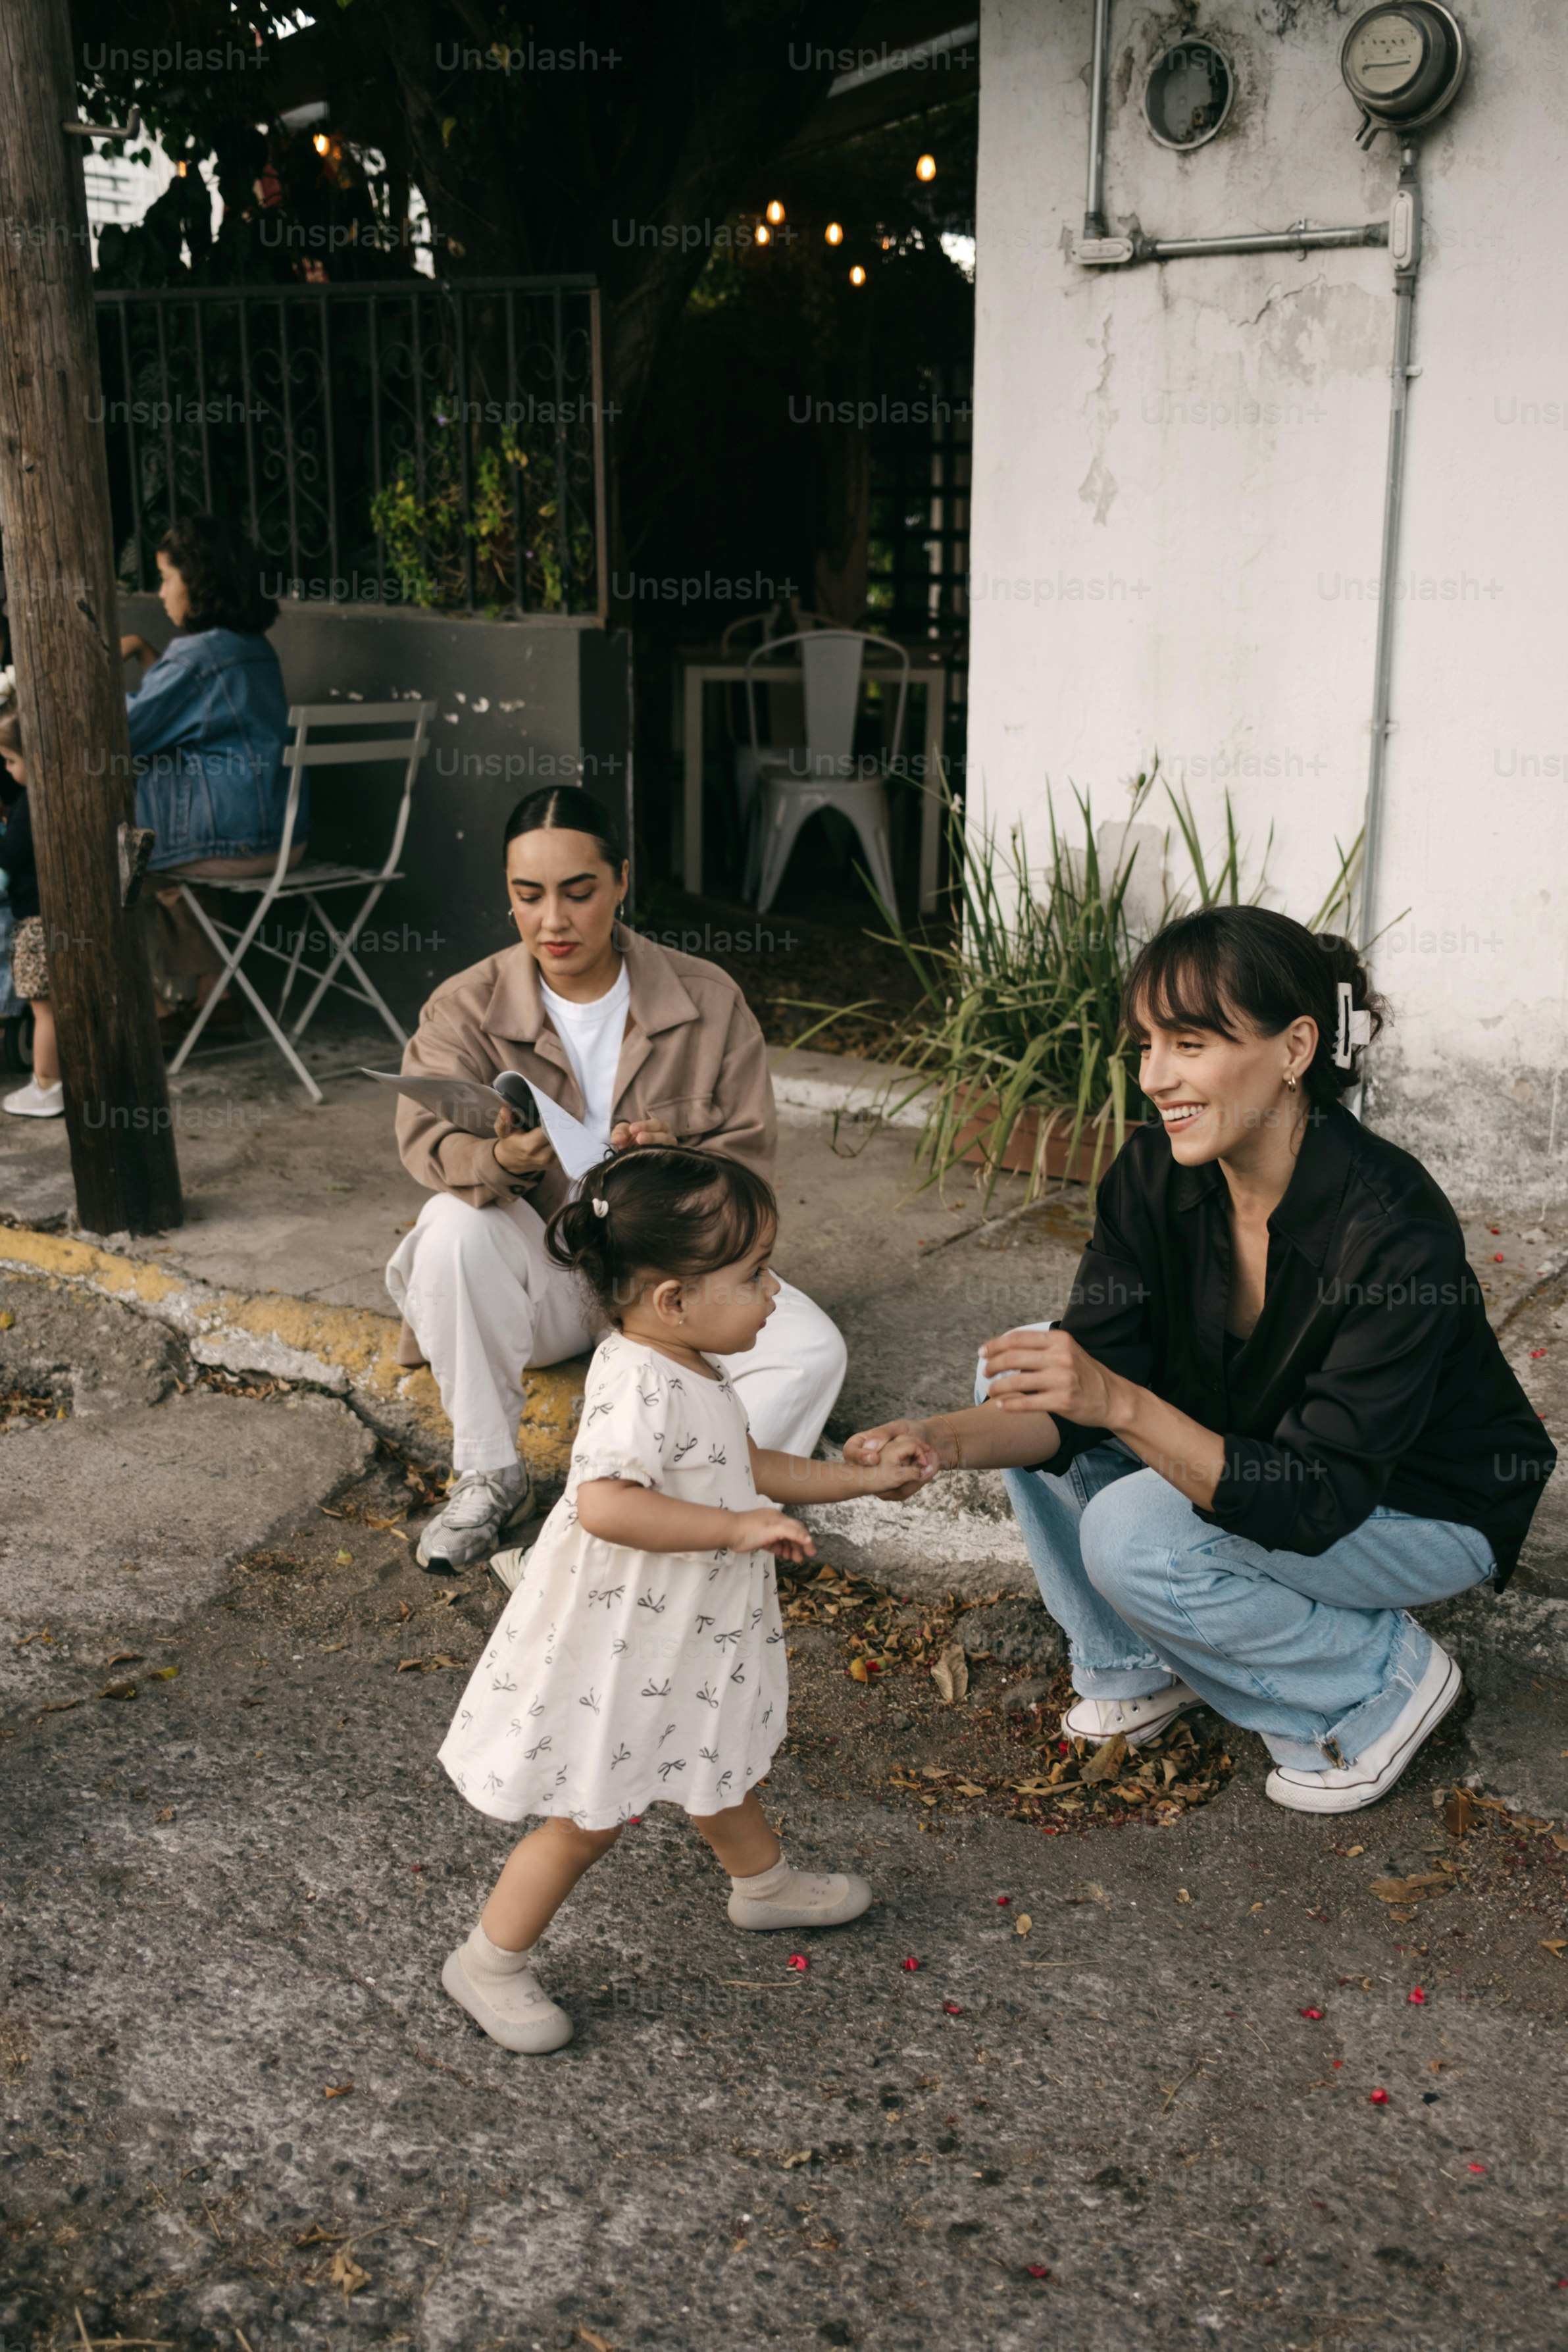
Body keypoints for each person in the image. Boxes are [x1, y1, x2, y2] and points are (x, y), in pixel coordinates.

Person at [846, 906, 1557, 1816]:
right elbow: (1079, 1386)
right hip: (1257, 1445)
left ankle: (1375, 1683)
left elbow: (1312, 1496)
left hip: (1413, 1501)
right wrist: (935, 1439)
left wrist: (1120, 1404)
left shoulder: (1390, 1228)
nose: (1152, 1077)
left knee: (1134, 1531)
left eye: (1187, 1042)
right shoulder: (1154, 1173)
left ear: (1294, 1048)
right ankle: (1135, 1662)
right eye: (1143, 1044)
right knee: (1020, 1372)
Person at [437, 1144, 934, 2053]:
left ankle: (762, 1883)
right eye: (753, 1273)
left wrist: (854, 1482)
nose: (775, 1290)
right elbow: (604, 1503)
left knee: (713, 1750)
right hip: (623, 1638)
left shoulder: (696, 1366)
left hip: (686, 1630)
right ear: (671, 1299)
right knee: (586, 1817)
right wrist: (737, 1528)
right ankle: (488, 1959)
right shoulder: (634, 1381)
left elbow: (745, 1465)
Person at [389, 783, 849, 1572]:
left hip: (667, 1282)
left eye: (579, 892)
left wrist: (676, 1165)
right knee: (452, 1226)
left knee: (811, 1350)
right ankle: (491, 1474)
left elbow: (749, 1169)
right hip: (547, 1281)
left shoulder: (706, 1000)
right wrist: (501, 1161)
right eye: (527, 896)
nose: (553, 921)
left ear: (622, 881)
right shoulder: (465, 1005)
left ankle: (620, 1532)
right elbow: (424, 1140)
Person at [118, 515, 299, 1022]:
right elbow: (190, 712)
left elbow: (125, 735)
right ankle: (214, 992)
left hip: (233, 843)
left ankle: (144, 1010)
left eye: (165, 577)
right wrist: (148, 653)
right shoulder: (252, 649)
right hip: (284, 837)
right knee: (166, 865)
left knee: (110, 857)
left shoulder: (199, 655)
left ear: (196, 581)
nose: (161, 594)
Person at [0, 710, 61, 1119]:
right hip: (62, 918)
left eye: (10, 761)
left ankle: (47, 1086)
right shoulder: (64, 795)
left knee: (44, 1009)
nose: (7, 769)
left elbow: (10, 856)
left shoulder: (28, 805)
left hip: (37, 924)